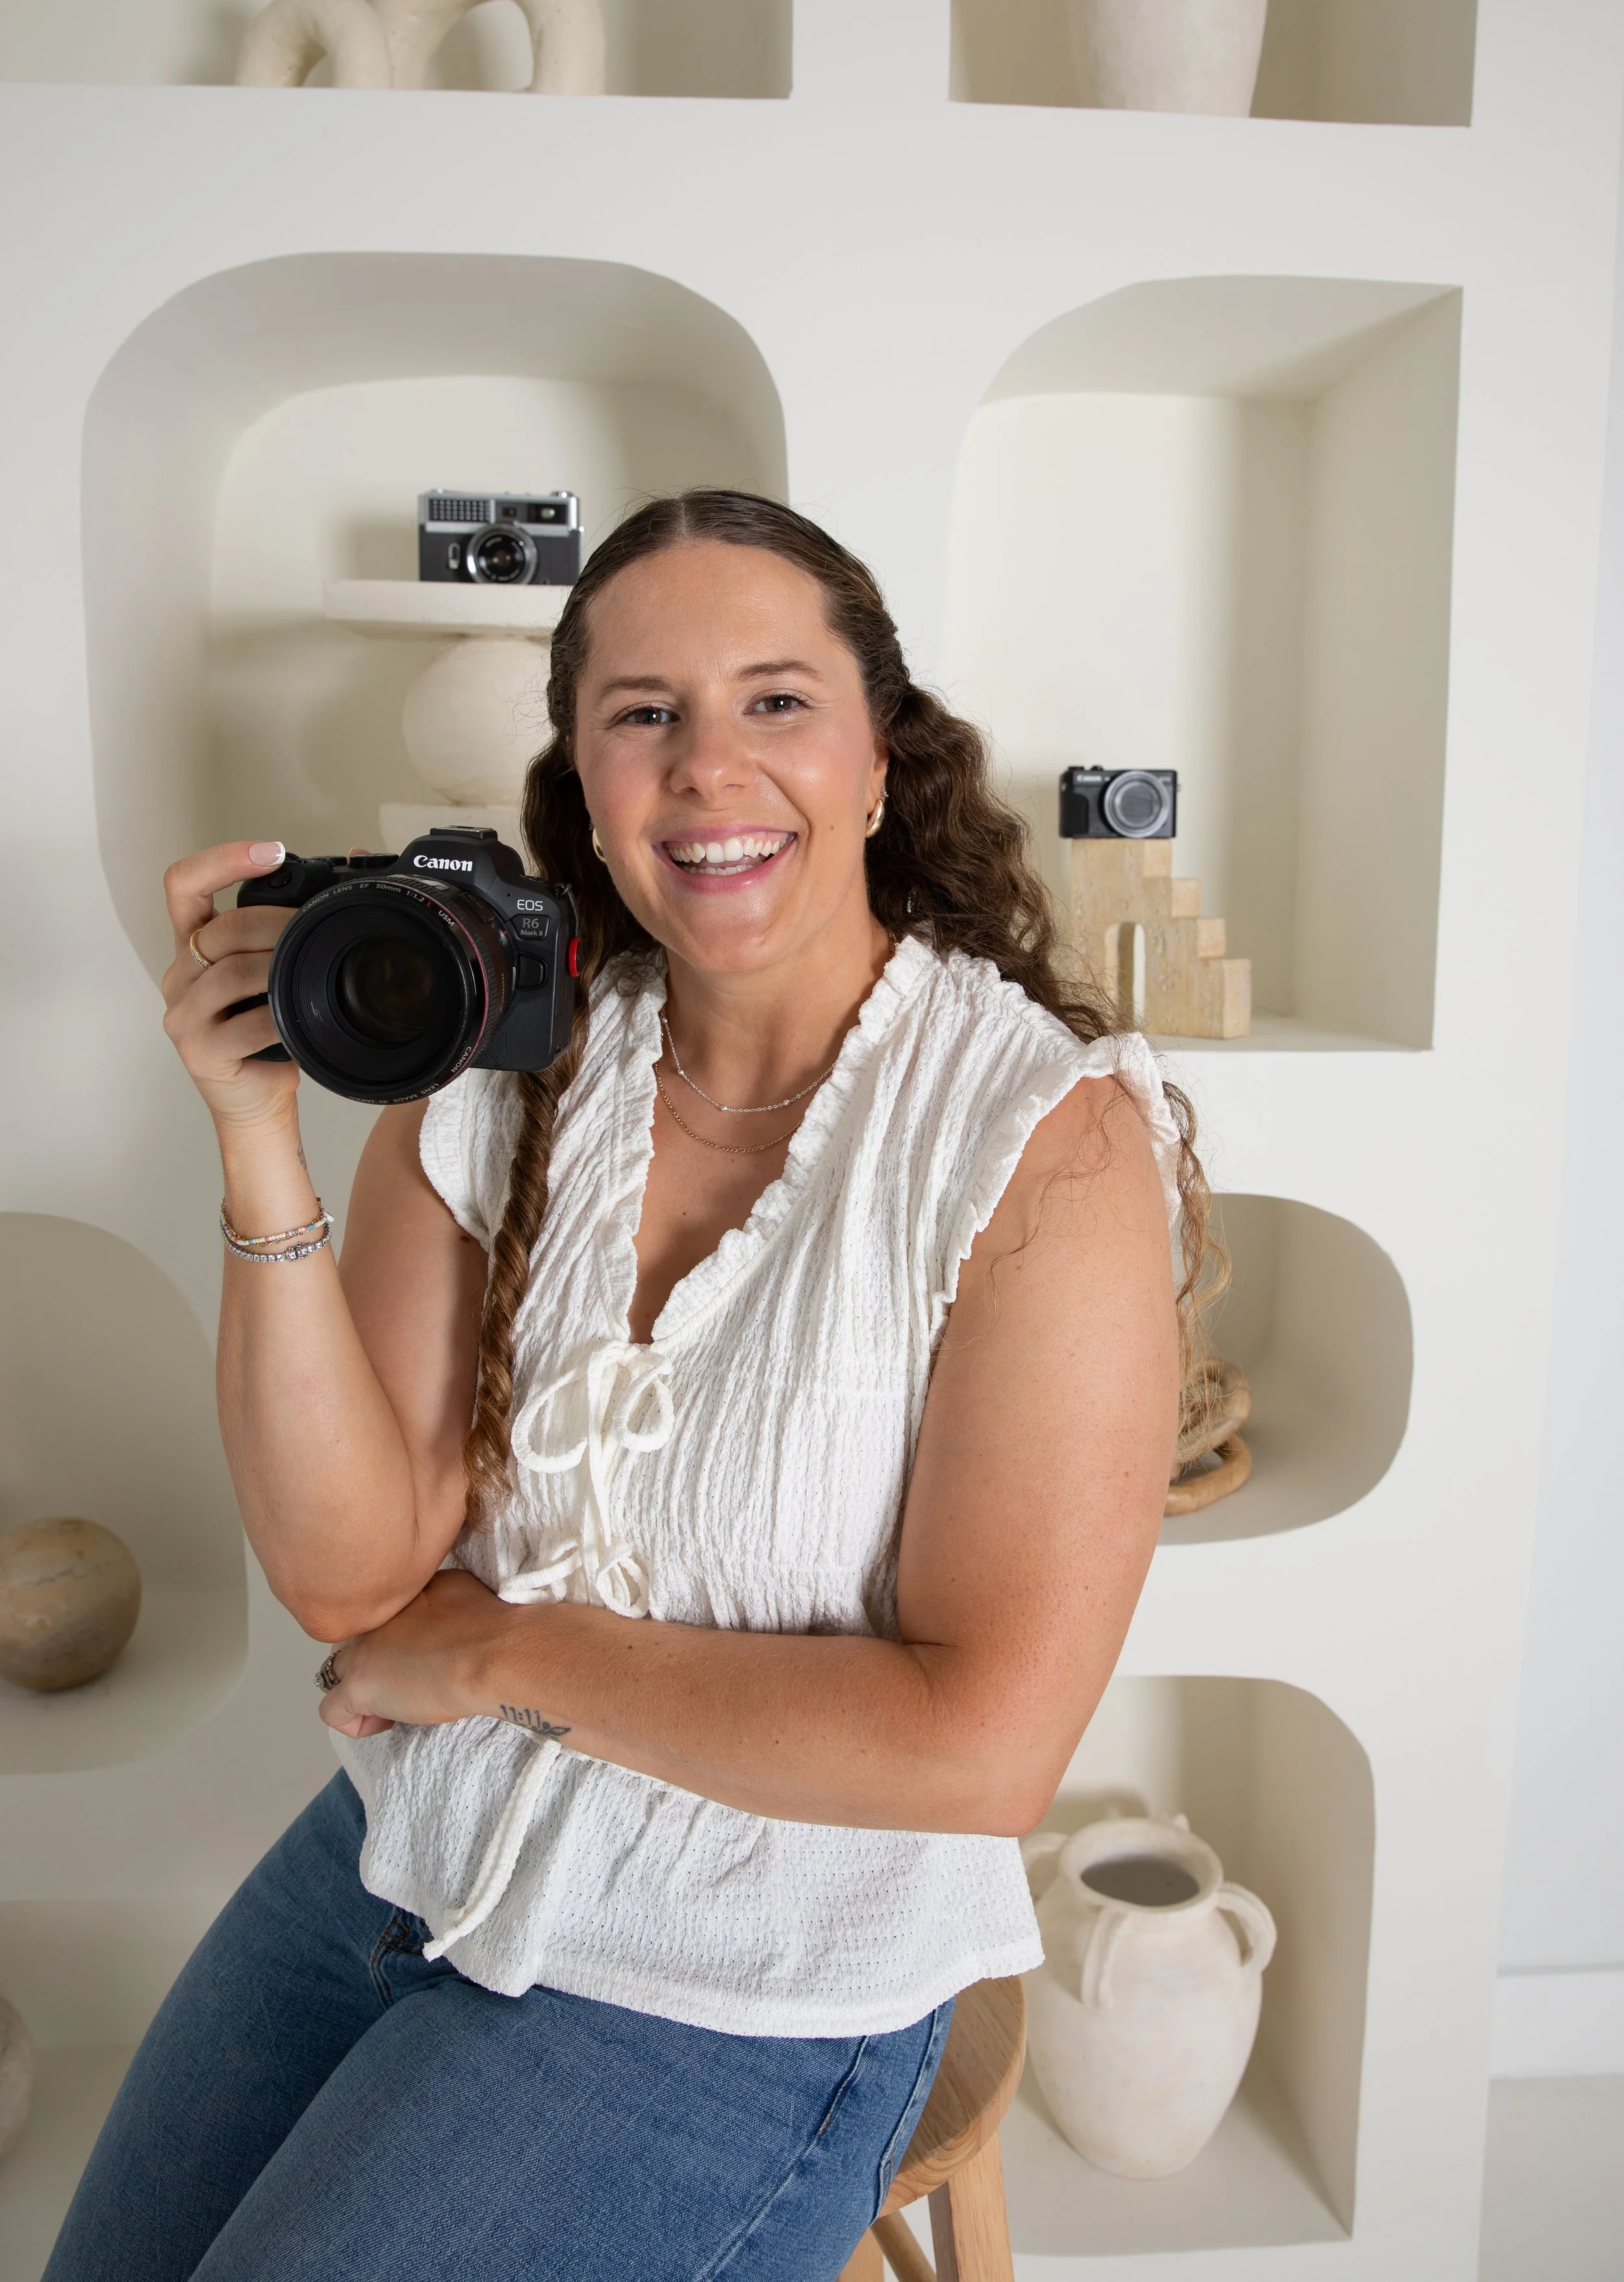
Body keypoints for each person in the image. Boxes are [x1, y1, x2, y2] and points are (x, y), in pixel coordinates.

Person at [47, 491, 1213, 2282]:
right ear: (583, 782)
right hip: (400, 1849)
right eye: (642, 714)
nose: (706, 767)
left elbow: (978, 1745)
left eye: (774, 700)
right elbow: (357, 1581)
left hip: (751, 1972)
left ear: (882, 756)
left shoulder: (1033, 1140)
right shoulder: (501, 1072)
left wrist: (507, 1649)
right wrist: (257, 1142)